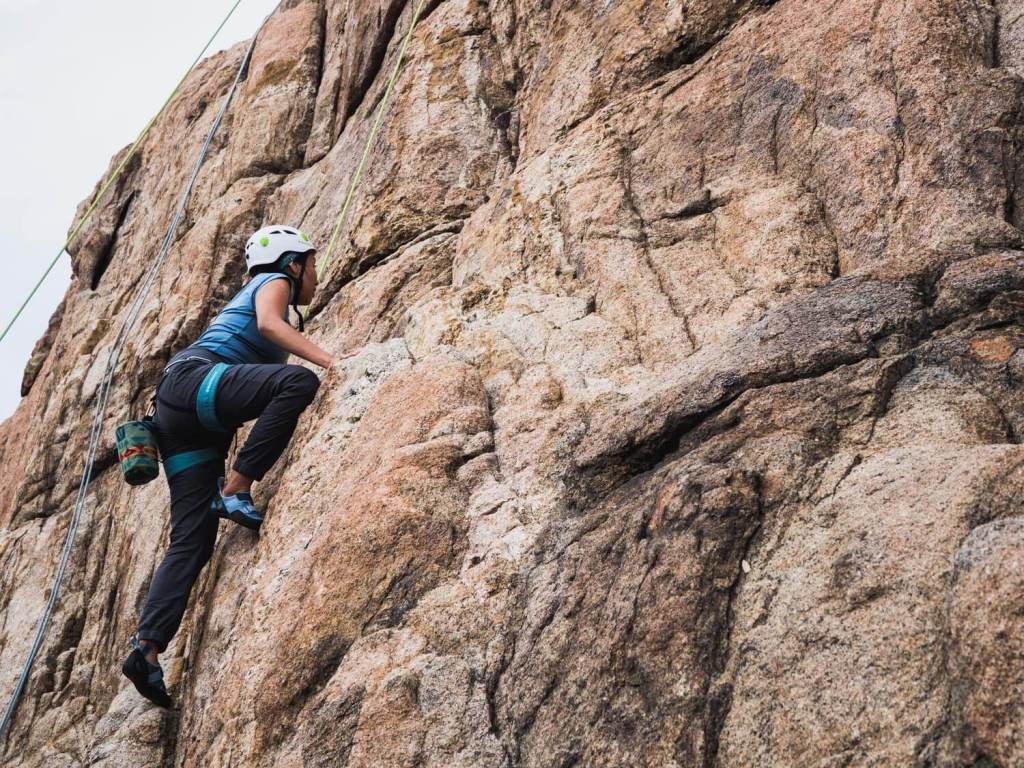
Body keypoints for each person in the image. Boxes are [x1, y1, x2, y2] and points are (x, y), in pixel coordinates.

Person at [121, 224, 346, 708]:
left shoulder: (262, 286)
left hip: (180, 417)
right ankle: (237, 487)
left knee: (192, 538)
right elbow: (268, 325)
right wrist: (332, 361)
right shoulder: (274, 283)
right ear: (292, 263)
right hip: (196, 383)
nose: (315, 272)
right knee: (296, 384)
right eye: (311, 262)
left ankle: (147, 650)